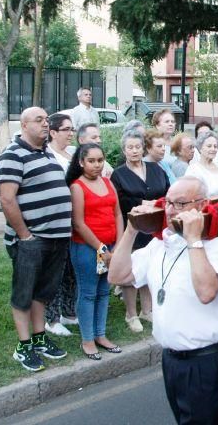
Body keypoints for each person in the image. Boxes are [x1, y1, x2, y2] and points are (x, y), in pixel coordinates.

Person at [109, 177, 218, 425]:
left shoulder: (217, 246)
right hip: (172, 360)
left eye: (180, 204)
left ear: (202, 205)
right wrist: (131, 228)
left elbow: (206, 292)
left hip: (208, 361)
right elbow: (118, 275)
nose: (170, 210)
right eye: (168, 202)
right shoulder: (160, 245)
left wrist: (193, 239)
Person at [0, 107, 72, 371]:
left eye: (47, 119)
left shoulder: (46, 153)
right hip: (32, 240)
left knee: (43, 292)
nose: (45, 123)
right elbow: (7, 199)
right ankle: (24, 345)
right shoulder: (12, 154)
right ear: (23, 124)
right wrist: (24, 235)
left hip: (56, 238)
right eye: (39, 120)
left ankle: (39, 338)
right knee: (24, 293)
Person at [66, 143, 123, 360]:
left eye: (100, 160)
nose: (96, 165)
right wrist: (102, 249)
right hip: (86, 248)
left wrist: (118, 245)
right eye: (91, 161)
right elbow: (79, 223)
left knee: (103, 292)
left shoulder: (108, 182)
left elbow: (117, 214)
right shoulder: (77, 187)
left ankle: (100, 334)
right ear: (81, 162)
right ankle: (88, 339)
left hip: (110, 248)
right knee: (88, 293)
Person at [110, 131, 169, 333]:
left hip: (155, 226)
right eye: (130, 147)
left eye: (137, 147)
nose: (134, 151)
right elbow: (118, 201)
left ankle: (147, 310)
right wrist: (141, 203)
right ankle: (130, 314)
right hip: (133, 227)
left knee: (149, 268)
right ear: (124, 150)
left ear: (143, 148)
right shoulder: (118, 174)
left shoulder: (155, 168)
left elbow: (167, 191)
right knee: (132, 270)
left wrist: (159, 203)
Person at [44, 113, 78, 337]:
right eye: (66, 129)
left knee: (71, 268)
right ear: (53, 132)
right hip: (56, 219)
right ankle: (51, 318)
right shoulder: (47, 155)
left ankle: (69, 311)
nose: (70, 133)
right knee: (54, 270)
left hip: (76, 218)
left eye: (71, 129)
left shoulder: (74, 152)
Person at [183, 131, 218, 197]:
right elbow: (191, 195)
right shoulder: (193, 170)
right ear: (200, 148)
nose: (213, 149)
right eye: (209, 146)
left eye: (215, 146)